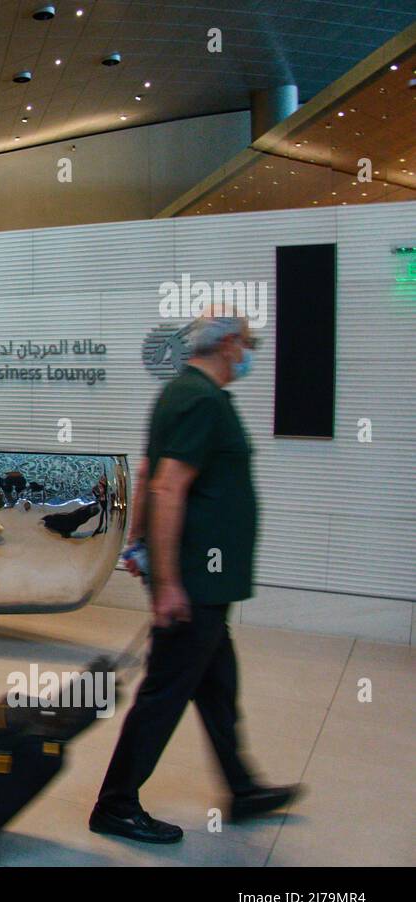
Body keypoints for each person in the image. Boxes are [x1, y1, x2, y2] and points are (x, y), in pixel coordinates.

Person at [90, 313, 301, 844]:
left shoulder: (185, 394)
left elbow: (147, 472)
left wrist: (138, 543)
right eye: (248, 344)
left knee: (216, 684)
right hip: (195, 581)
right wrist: (168, 584)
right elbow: (167, 488)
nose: (250, 353)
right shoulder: (198, 400)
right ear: (228, 344)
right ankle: (115, 804)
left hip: (205, 580)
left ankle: (242, 787)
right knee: (167, 691)